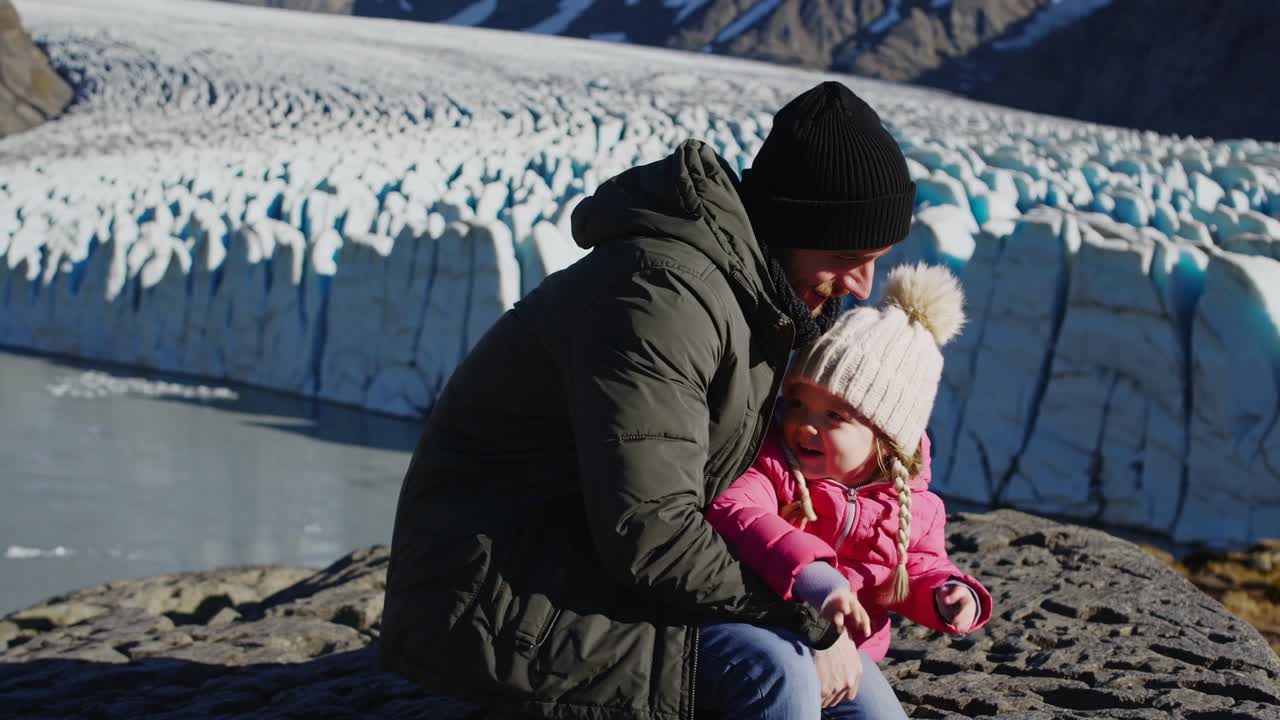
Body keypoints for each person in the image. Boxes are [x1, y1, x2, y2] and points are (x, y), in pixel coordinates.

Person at [380, 80, 918, 720]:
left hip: (597, 570)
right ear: (788, 226)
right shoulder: (662, 297)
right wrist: (801, 615)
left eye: (876, 259)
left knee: (866, 698)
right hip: (503, 593)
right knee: (774, 672)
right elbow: (652, 530)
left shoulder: (759, 297)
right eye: (847, 256)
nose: (862, 285)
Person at [704, 263, 993, 718]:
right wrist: (817, 577)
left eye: (835, 417)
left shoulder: (911, 506)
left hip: (849, 651)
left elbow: (913, 568)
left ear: (886, 436)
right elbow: (736, 508)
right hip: (762, 625)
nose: (804, 424)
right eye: (798, 403)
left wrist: (949, 593)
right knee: (785, 692)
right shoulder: (774, 463)